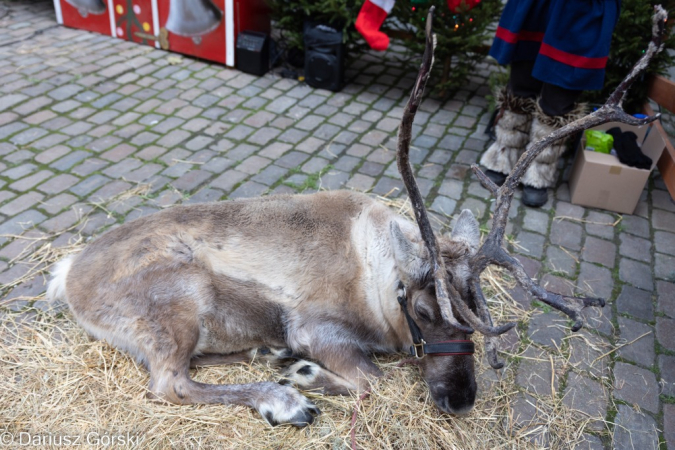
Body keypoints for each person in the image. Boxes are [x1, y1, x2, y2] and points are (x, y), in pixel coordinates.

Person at [480, 0, 621, 207]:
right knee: (521, 85)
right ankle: (505, 155)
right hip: (538, 6)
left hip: (583, 10)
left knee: (559, 99)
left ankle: (539, 171)